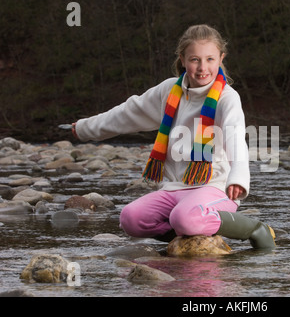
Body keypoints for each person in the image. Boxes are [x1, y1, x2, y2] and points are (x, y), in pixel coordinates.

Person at [71, 24, 275, 249]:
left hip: (215, 187)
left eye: (210, 59)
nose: (202, 68)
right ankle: (187, 230)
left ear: (221, 58)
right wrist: (83, 128)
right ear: (183, 59)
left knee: (185, 217)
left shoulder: (227, 97)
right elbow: (128, 113)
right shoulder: (169, 91)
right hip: (176, 187)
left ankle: (255, 228)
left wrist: (238, 177)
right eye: (195, 59)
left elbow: (235, 136)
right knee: (130, 219)